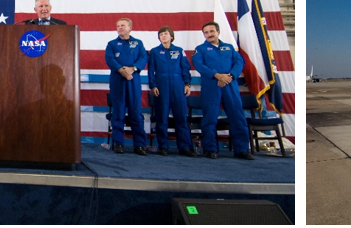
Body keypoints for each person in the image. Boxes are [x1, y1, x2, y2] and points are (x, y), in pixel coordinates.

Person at [191, 22, 253, 160]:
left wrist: (230, 76)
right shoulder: (200, 49)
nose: (209, 34)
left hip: (230, 85)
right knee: (210, 118)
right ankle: (211, 149)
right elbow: (199, 65)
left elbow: (239, 62)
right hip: (211, 86)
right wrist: (217, 75)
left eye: (211, 31)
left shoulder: (229, 48)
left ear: (218, 32)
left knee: (237, 117)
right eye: (206, 32)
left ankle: (242, 149)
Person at [147, 26, 196, 157]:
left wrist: (187, 84)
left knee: (181, 118)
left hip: (178, 87)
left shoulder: (179, 51)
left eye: (165, 34)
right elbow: (151, 70)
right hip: (161, 87)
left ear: (171, 36)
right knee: (162, 118)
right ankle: (163, 146)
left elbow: (185, 68)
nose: (163, 36)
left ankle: (184, 147)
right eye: (161, 34)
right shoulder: (155, 52)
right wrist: (153, 85)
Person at [105, 18, 149, 155]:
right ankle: (118, 143)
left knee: (135, 112)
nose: (119, 28)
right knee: (118, 112)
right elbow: (110, 59)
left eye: (122, 26)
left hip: (133, 80)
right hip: (117, 79)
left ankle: (140, 145)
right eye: (118, 26)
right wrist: (122, 70)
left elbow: (143, 58)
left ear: (130, 27)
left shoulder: (138, 43)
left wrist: (133, 69)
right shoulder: (112, 44)